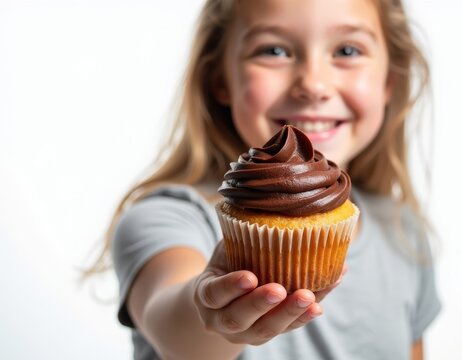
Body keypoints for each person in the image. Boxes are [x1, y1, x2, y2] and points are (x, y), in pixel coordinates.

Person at [87, 0, 441, 358]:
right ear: (220, 79)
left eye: (347, 50)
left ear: (388, 83)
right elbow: (175, 330)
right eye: (274, 50)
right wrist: (208, 307)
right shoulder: (167, 217)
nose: (313, 85)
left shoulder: (404, 231)